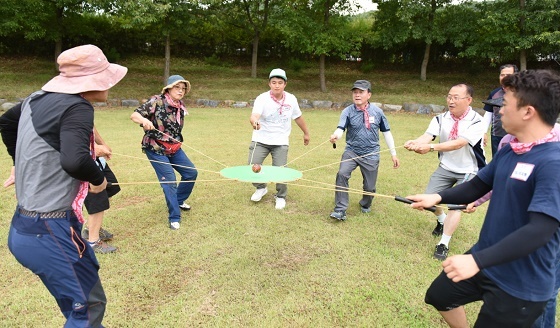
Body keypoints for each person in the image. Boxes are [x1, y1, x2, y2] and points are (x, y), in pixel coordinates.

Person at [407, 70, 560, 327]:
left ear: (528, 112)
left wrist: (476, 260)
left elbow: (539, 231)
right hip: (488, 257)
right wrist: (436, 195)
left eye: (506, 105)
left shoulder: (552, 162)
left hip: (521, 279)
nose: (499, 112)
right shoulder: (511, 148)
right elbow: (479, 184)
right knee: (440, 295)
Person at [0, 44, 127, 327]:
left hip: (26, 229)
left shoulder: (36, 98)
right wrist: (98, 181)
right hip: (49, 231)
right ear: (90, 80)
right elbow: (75, 160)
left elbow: (6, 123)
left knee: (79, 304)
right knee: (88, 308)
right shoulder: (78, 106)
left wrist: (16, 163)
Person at [466, 122, 560, 328]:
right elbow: (500, 179)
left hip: (550, 224)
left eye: (508, 101)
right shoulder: (509, 143)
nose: (500, 113)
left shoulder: (555, 144)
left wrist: (477, 261)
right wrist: (477, 199)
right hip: (523, 223)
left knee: (544, 291)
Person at [404, 83, 486, 260]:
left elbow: (459, 143)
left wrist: (430, 147)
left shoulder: (477, 121)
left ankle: (443, 243)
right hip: (446, 167)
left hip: (469, 170)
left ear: (468, 100)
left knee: (455, 205)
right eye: (449, 96)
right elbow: (428, 136)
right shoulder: (440, 118)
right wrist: (416, 143)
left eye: (456, 97)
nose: (451, 101)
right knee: (428, 201)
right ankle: (441, 221)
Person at [130, 75, 198, 230]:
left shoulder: (179, 106)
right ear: (168, 88)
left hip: (173, 147)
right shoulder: (157, 101)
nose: (181, 91)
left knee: (191, 173)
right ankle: (174, 217)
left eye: (183, 89)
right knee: (169, 180)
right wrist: (144, 121)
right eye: (177, 88)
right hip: (155, 148)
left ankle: (179, 200)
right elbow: (134, 115)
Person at [328, 80, 399, 221]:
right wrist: (336, 135)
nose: (357, 95)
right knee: (342, 174)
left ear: (369, 95)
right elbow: (341, 128)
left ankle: (365, 203)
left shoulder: (378, 112)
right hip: (352, 151)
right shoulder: (347, 111)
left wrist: (393, 154)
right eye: (355, 92)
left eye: (361, 92)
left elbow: (387, 133)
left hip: (371, 153)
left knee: (370, 187)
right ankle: (340, 209)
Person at [248, 68, 310, 210]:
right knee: (252, 167)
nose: (277, 85)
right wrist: (254, 122)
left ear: (285, 84)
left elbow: (298, 117)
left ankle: (280, 196)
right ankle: (260, 188)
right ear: (269, 84)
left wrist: (306, 133)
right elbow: (254, 115)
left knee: (280, 170)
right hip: (261, 139)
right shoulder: (262, 98)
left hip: (280, 141)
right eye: (274, 82)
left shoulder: (291, 99)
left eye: (280, 82)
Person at [81, 127, 121, 254]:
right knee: (97, 197)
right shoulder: (60, 109)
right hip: (80, 158)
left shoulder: (83, 108)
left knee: (110, 187)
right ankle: (93, 242)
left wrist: (102, 144)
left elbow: (91, 126)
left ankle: (90, 228)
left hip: (96, 158)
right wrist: (90, 148)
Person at [482, 64, 518, 156]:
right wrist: (483, 132)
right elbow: (488, 114)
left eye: (508, 75)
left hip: (517, 134)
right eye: (502, 75)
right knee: (497, 160)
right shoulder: (494, 93)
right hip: (497, 134)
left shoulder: (524, 92)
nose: (504, 78)